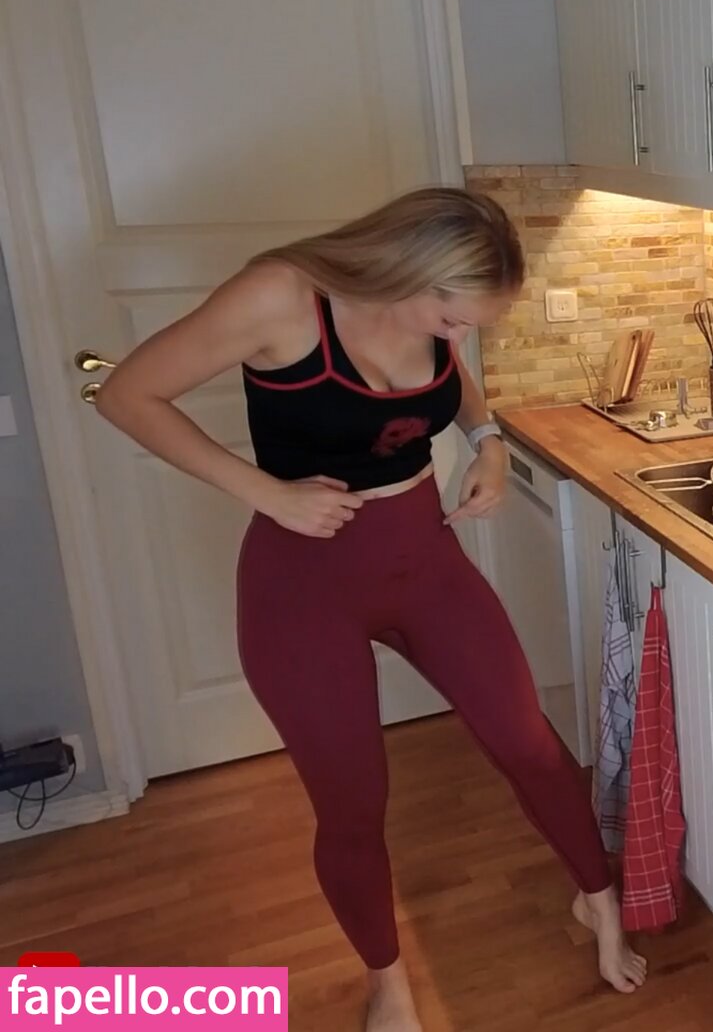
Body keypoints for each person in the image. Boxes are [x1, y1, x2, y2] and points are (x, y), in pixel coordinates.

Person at [94, 188, 645, 1031]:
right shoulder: (281, 297)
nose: (457, 336)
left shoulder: (433, 319)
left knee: (528, 741)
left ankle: (597, 902)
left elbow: (453, 383)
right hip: (303, 583)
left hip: (424, 560)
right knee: (353, 804)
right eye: (452, 318)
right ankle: (387, 979)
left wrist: (489, 442)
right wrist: (266, 492)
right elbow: (126, 395)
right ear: (411, 270)